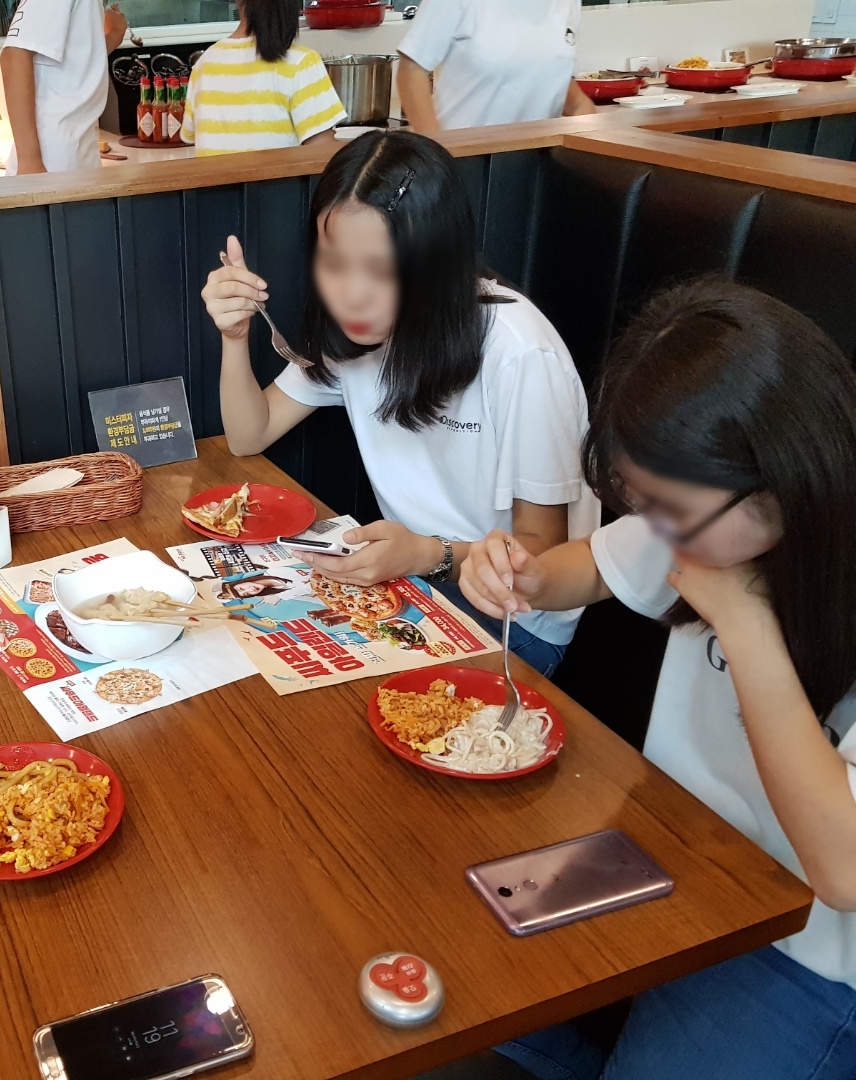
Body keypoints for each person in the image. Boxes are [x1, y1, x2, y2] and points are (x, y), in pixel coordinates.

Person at [460, 280, 856, 1080]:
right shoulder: (704, 519)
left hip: (808, 953)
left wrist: (746, 624)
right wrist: (518, 574)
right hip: (671, 856)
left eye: (666, 509)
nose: (655, 530)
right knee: (457, 974)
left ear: (781, 481)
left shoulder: (740, 550)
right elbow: (585, 568)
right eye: (639, 504)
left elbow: (842, 872)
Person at [200, 130, 596, 675]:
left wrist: (430, 554)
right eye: (334, 264)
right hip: (412, 582)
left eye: (382, 271)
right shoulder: (354, 337)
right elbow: (250, 434)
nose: (352, 295)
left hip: (513, 619)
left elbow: (541, 552)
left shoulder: (519, 352)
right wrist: (235, 336)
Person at [395, 0, 596, 135]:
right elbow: (411, 71)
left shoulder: (567, 3)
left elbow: (562, 88)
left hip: (538, 161)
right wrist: (438, 153)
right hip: (463, 160)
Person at [180, 0, 346, 156]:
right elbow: (322, 153)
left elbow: (189, 135)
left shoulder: (204, 64)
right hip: (279, 179)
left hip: (213, 179)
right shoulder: (301, 62)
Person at [1, 0, 128, 174]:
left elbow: (78, 62)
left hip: (76, 152)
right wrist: (30, 163)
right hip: (51, 159)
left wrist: (114, 34)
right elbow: (14, 56)